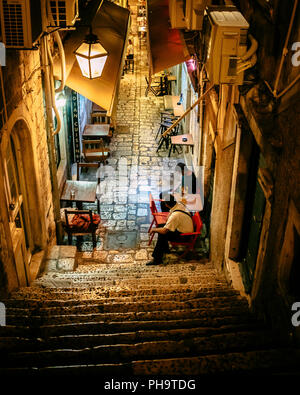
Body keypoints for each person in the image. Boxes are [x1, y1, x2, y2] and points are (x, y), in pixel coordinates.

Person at [147, 194, 194, 266]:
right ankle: (165, 250)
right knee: (160, 226)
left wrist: (154, 229)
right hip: (184, 230)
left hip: (184, 236)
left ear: (166, 205)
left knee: (162, 233)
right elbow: (169, 217)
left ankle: (157, 259)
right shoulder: (179, 205)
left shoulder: (175, 216)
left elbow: (164, 230)